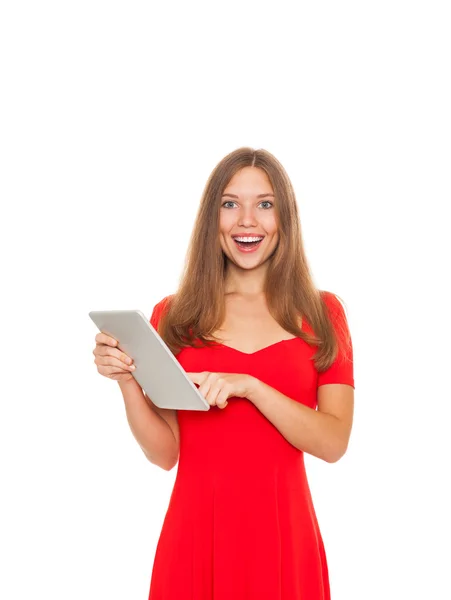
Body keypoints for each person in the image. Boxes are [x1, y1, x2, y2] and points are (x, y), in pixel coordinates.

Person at [93, 146, 355, 599]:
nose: (246, 220)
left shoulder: (322, 312)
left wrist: (251, 387)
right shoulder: (173, 318)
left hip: (283, 539)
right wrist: (128, 381)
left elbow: (333, 443)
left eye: (265, 204)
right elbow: (165, 453)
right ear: (211, 217)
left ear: (285, 219)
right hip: (195, 537)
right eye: (230, 204)